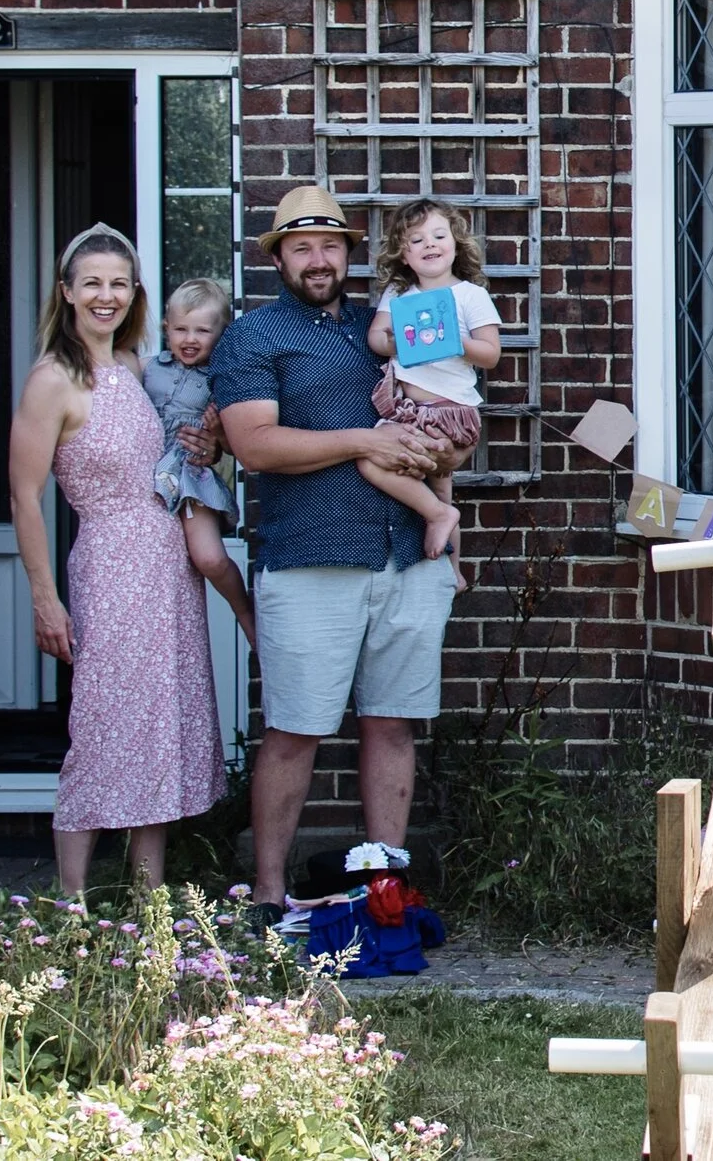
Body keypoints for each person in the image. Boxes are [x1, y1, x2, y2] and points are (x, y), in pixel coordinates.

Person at [208, 185, 460, 918]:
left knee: (391, 721)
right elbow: (255, 445)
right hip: (311, 557)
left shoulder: (388, 322)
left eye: (329, 246)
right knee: (294, 728)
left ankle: (387, 892)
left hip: (410, 553)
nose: (317, 259)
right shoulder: (254, 336)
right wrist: (363, 440)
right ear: (279, 257)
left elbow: (448, 399)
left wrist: (451, 528)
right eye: (301, 247)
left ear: (348, 252)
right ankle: (268, 891)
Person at [7, 224, 227, 896]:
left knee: (159, 719)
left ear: (135, 294)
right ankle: (69, 899)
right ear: (68, 292)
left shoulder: (136, 365)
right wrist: (46, 600)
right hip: (108, 563)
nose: (106, 294)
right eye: (93, 282)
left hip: (166, 564)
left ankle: (147, 893)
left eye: (119, 283)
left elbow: (171, 452)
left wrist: (207, 446)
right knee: (102, 721)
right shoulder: (53, 379)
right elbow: (23, 494)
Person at [360, 200, 502, 580]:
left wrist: (457, 342)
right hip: (407, 411)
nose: (430, 244)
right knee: (441, 496)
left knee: (370, 461)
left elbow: (490, 355)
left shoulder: (470, 295)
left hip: (448, 412)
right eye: (416, 240)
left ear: (455, 244)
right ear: (404, 255)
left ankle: (442, 522)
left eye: (439, 236)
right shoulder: (400, 294)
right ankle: (454, 572)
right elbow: (376, 337)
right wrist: (395, 344)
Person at [146, 278, 256, 647]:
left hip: (190, 477)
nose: (189, 339)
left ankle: (244, 612)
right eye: (180, 329)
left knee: (208, 558)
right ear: (166, 329)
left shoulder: (221, 381)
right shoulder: (147, 369)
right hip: (144, 480)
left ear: (221, 334)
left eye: (202, 331)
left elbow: (234, 442)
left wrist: (218, 431)